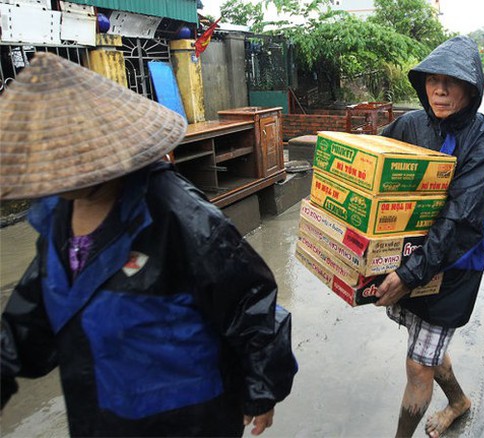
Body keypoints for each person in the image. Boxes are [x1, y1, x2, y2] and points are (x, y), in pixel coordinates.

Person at [0, 53, 297, 437]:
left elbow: (251, 301)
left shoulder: (180, 215)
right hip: (99, 418)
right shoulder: (56, 220)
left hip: (187, 418)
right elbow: (31, 317)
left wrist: (261, 389)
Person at [375, 36, 484, 438]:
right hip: (412, 259)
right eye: (433, 80)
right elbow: (373, 155)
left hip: (455, 265)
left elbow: (462, 222)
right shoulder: (413, 124)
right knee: (427, 348)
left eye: (451, 82)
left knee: (418, 364)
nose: (439, 90)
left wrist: (410, 273)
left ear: (472, 88)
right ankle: (460, 401)